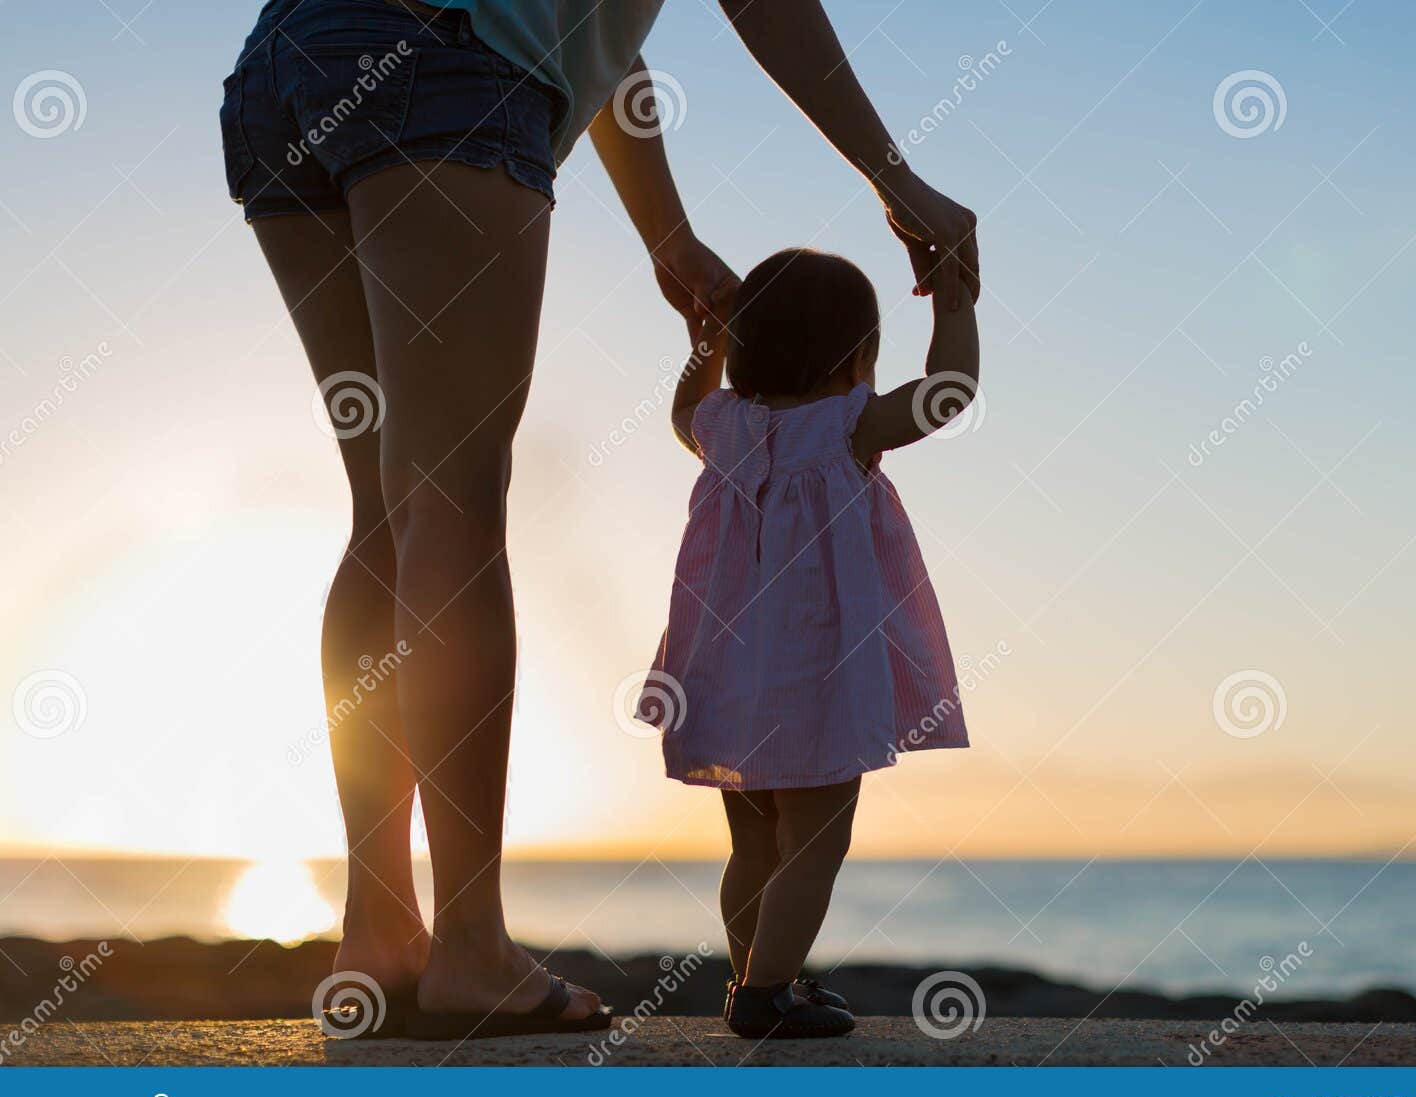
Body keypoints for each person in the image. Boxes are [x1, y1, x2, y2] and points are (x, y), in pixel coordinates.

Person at [221, 0, 978, 1038]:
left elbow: (591, 40)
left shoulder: (728, 425)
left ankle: (382, 933)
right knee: (451, 498)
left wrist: (668, 238)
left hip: (288, 62)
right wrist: (900, 183)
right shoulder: (842, 430)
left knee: (388, 513)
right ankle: (472, 950)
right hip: (442, 76)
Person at [642, 248, 979, 1038]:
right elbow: (949, 393)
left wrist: (705, 342)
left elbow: (679, 410)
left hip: (722, 670)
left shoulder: (722, 427)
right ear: (859, 358)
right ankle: (765, 993)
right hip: (815, 676)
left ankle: (759, 979)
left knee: (755, 843)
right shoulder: (846, 424)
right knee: (817, 840)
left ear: (745, 347)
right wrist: (954, 303)